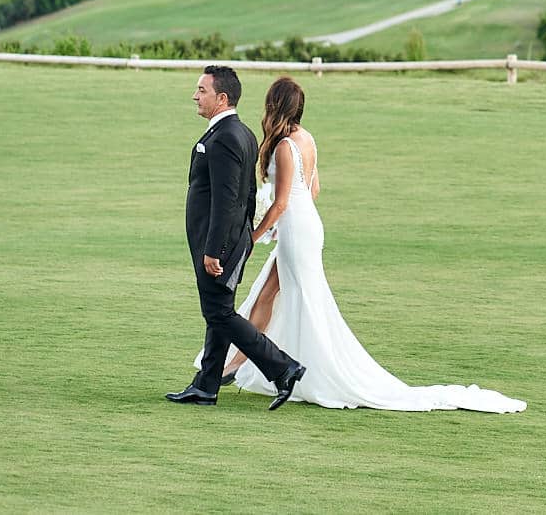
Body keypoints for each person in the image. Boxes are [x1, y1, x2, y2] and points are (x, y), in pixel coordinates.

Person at [212, 76, 525, 413]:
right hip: (305, 226)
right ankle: (236, 366)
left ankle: (287, 368)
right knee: (268, 294)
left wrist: (253, 237)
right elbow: (313, 190)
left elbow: (281, 202)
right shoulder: (307, 139)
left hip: (296, 230)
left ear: (275, 105)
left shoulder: (286, 147)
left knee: (303, 301)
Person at [167, 66, 306, 408]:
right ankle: (206, 385)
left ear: (222, 97)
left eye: (202, 90)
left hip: (220, 245)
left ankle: (283, 368)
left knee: (219, 314)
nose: (195, 95)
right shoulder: (239, 132)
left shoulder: (228, 136)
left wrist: (216, 249)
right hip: (229, 241)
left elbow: (229, 199)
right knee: (219, 311)